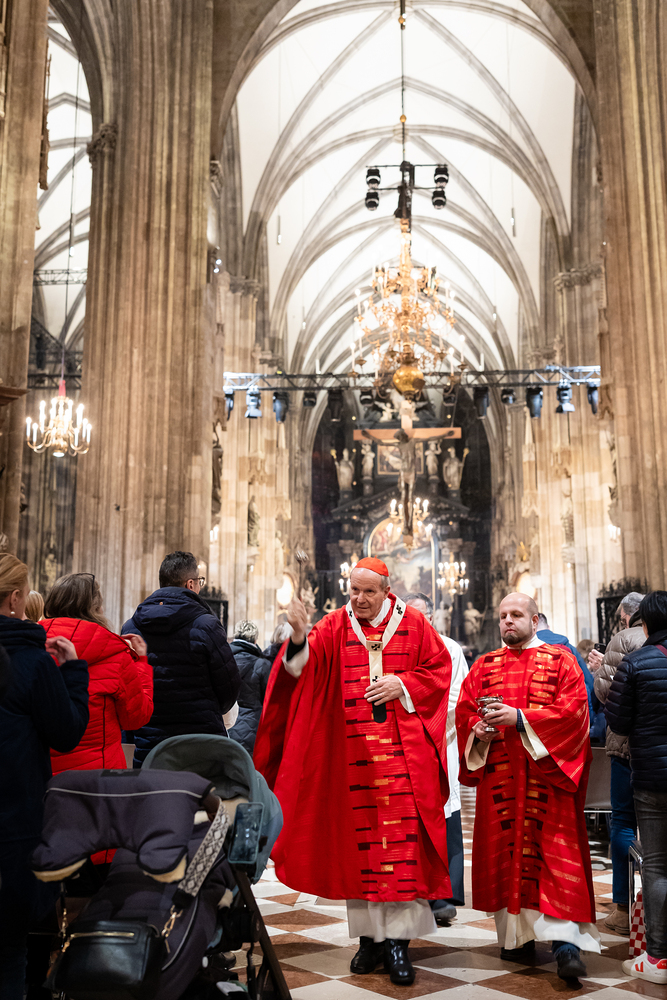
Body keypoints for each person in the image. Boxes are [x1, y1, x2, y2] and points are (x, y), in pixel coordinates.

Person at [254, 557, 452, 986]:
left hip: (401, 760)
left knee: (399, 852)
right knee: (358, 851)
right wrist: (299, 636)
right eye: (354, 591)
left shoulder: (415, 624)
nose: (359, 599)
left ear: (386, 591)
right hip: (350, 756)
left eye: (368, 592)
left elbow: (439, 672)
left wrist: (404, 684)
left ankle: (398, 944)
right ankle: (368, 940)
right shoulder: (334, 625)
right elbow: (301, 671)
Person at [456, 592, 599, 981]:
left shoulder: (561, 661)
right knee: (508, 857)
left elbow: (574, 714)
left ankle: (566, 946)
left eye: (516, 614)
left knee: (555, 859)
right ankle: (516, 939)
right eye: (503, 615)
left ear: (535, 620)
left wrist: (519, 719)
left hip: (549, 782)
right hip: (501, 782)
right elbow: (465, 712)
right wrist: (478, 729)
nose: (507, 621)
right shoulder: (484, 665)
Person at [0, 554, 89, 1000]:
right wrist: (72, 672)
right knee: (10, 950)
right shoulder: (33, 662)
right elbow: (67, 732)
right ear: (16, 598)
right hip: (14, 821)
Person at [121, 551, 240, 767]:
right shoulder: (207, 625)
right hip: (201, 745)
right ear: (190, 584)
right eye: (200, 582)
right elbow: (229, 689)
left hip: (150, 745)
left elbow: (129, 689)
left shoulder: (131, 628)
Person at [605, 591, 667, 984]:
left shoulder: (637, 661)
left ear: (644, 624)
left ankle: (658, 958)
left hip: (653, 777)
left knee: (657, 865)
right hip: (653, 775)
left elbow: (619, 721)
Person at [43, 573, 153, 775]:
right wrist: (142, 664)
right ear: (95, 609)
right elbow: (136, 717)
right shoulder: (115, 653)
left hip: (42, 774)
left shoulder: (31, 644)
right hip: (97, 778)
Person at [405, 592, 467, 925]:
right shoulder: (397, 649)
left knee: (445, 813)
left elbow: (459, 695)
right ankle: (412, 891)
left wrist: (423, 720)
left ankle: (445, 894)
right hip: (405, 745)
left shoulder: (450, 649)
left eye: (422, 616)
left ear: (430, 617)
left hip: (441, 740)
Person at [593, 604, 644, 935]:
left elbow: (605, 692)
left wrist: (599, 670)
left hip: (626, 746)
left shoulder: (624, 640)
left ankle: (623, 909)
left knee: (624, 821)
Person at [535, 612, 604, 742]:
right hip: (569, 721)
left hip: (536, 723)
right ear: (548, 627)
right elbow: (588, 683)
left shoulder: (524, 650)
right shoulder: (568, 647)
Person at [228, 620, 272, 755]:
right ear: (255, 639)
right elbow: (268, 700)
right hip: (253, 729)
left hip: (227, 725)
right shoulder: (262, 664)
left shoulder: (224, 659)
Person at [588, 591, 644, 673]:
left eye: (624, 621)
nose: (625, 628)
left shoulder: (623, 639)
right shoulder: (657, 634)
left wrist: (603, 666)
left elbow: (624, 676)